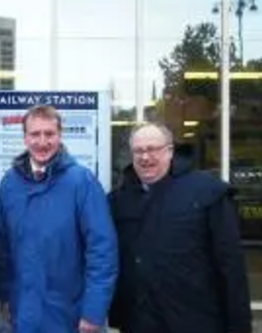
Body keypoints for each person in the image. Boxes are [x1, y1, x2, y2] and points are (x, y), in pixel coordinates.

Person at [108, 122, 252, 333]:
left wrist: (239, 326)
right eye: (138, 151)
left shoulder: (207, 192)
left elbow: (230, 267)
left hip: (196, 322)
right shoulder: (119, 200)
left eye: (153, 149)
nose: (145, 157)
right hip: (139, 323)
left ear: (170, 151)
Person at [0, 105, 118, 333]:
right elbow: (3, 249)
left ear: (60, 135)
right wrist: (6, 296)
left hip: (70, 315)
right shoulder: (10, 184)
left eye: (49, 134)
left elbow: (102, 250)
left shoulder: (82, 182)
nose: (42, 141)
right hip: (24, 314)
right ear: (25, 138)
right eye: (35, 134)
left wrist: (93, 312)